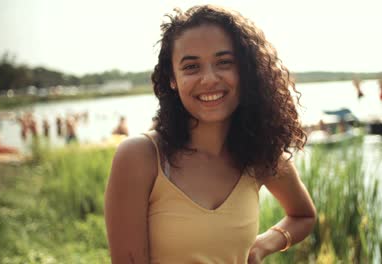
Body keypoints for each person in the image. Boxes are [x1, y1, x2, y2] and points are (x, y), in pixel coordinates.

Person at [105, 5, 316, 264]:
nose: (209, 79)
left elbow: (303, 216)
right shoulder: (141, 156)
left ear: (245, 70)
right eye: (191, 67)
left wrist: (263, 245)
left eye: (224, 62)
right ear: (172, 78)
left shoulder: (260, 155)